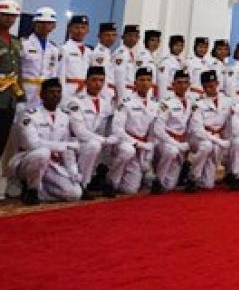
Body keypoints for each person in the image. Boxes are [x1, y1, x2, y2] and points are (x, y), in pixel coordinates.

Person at [6, 78, 82, 204]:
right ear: (42, 95)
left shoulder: (65, 116)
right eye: (51, 92)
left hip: (51, 165)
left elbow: (68, 150)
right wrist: (63, 146)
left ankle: (40, 193)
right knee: (42, 152)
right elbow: (33, 144)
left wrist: (73, 173)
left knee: (75, 194)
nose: (55, 95)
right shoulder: (29, 115)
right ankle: (32, 189)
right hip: (28, 162)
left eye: (58, 92)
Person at [108, 67, 159, 195]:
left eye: (148, 80)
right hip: (125, 142)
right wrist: (136, 143)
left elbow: (153, 131)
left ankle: (137, 177)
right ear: (135, 83)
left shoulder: (155, 104)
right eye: (141, 80)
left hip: (143, 147)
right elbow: (117, 129)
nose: (145, 83)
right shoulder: (126, 102)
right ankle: (110, 182)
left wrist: (148, 150)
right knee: (127, 151)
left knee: (130, 190)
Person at [65, 65, 115, 193]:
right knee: (94, 145)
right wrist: (104, 140)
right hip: (77, 144)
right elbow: (80, 132)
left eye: (101, 80)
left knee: (115, 142)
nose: (98, 84)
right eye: (94, 80)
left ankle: (101, 177)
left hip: (95, 143)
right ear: (86, 81)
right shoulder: (75, 102)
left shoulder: (106, 102)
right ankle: (83, 184)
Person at [152, 70, 194, 193]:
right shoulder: (166, 103)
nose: (182, 86)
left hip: (181, 141)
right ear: (173, 85)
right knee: (172, 151)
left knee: (169, 186)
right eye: (179, 83)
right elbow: (158, 129)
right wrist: (176, 144)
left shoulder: (191, 102)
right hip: (165, 141)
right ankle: (157, 181)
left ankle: (151, 179)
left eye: (185, 83)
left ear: (189, 85)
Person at [188, 71, 231, 191]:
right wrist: (218, 141)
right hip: (199, 138)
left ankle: (203, 177)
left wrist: (225, 139)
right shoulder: (198, 103)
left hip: (217, 138)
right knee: (207, 146)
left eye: (212, 85)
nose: (209, 88)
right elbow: (198, 130)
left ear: (217, 84)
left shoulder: (227, 101)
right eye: (206, 86)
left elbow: (229, 123)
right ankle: (193, 176)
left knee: (208, 186)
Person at [0, 0, 25, 177]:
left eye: (13, 17)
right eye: (6, 16)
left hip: (10, 99)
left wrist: (20, 93)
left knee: (1, 141)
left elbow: (19, 69)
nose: (10, 20)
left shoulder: (16, 41)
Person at [19, 6, 60, 105]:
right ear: (35, 23)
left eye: (49, 23)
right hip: (26, 89)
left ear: (54, 26)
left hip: (45, 93)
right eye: (41, 22)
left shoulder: (54, 49)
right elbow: (17, 69)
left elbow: (53, 73)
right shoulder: (24, 44)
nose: (45, 25)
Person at [58, 14, 91, 100]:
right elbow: (60, 76)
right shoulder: (64, 49)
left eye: (83, 27)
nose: (80, 31)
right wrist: (62, 96)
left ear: (88, 30)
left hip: (85, 91)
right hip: (69, 91)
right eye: (76, 27)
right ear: (69, 29)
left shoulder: (89, 51)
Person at [90, 22, 117, 95]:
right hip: (104, 92)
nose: (111, 38)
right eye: (107, 35)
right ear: (99, 36)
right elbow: (99, 77)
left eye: (113, 35)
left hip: (109, 91)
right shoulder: (99, 53)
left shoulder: (108, 52)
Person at [156, 35, 186, 100]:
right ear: (170, 45)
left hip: (180, 95)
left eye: (181, 45)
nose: (179, 48)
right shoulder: (165, 62)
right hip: (169, 94)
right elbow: (162, 83)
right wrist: (163, 99)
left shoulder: (183, 62)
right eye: (177, 45)